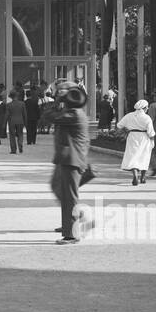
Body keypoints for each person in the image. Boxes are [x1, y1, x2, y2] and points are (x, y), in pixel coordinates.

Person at [50, 84, 93, 245]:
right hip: (69, 160)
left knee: (69, 197)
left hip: (71, 161)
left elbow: (49, 116)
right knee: (64, 193)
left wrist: (56, 102)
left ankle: (72, 234)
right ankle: (69, 224)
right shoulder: (76, 113)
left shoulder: (73, 115)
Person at [117, 99, 156, 186]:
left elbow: (119, 125)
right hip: (144, 137)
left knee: (133, 156)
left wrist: (126, 130)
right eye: (147, 107)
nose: (147, 108)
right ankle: (142, 176)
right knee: (144, 156)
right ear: (144, 108)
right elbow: (150, 132)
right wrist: (152, 140)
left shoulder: (129, 116)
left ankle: (135, 175)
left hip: (132, 136)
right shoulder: (147, 117)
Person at [5, 89, 27, 154]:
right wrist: (26, 123)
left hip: (11, 121)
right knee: (20, 134)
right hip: (20, 121)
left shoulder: (9, 105)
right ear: (17, 96)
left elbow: (7, 115)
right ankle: (20, 143)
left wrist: (4, 123)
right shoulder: (22, 104)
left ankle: (13, 149)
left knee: (12, 136)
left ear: (11, 97)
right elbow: (25, 114)